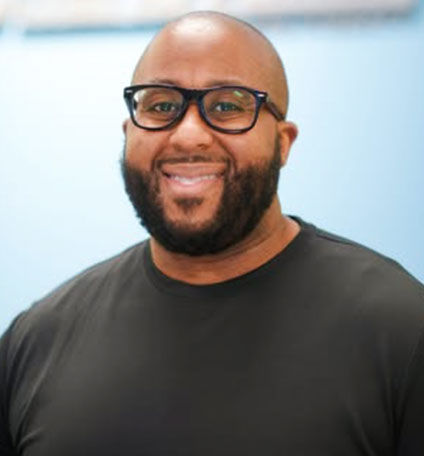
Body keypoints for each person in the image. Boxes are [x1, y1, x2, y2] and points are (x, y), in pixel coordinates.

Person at [1, 10, 423, 456]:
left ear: (283, 142)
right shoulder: (34, 344)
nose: (188, 136)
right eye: (161, 106)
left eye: (227, 106)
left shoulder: (400, 331)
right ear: (128, 132)